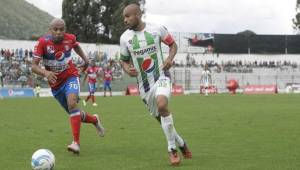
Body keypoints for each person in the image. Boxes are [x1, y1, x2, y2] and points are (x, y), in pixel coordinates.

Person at [119, 3, 192, 166]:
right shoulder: (125, 38)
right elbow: (123, 60)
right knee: (162, 119)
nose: (125, 20)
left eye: (127, 16)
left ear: (138, 14)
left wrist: (169, 59)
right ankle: (181, 143)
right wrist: (127, 69)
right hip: (144, 87)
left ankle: (172, 150)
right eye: (124, 17)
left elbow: (173, 44)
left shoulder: (157, 29)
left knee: (162, 105)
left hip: (161, 77)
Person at [31, 18, 105, 155]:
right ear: (50, 30)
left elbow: (76, 46)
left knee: (72, 104)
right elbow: (34, 66)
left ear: (65, 30)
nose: (59, 32)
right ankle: (94, 120)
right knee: (74, 113)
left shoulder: (70, 38)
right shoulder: (43, 42)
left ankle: (76, 143)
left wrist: (86, 60)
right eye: (56, 29)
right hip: (55, 85)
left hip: (70, 76)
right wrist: (45, 72)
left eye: (62, 29)